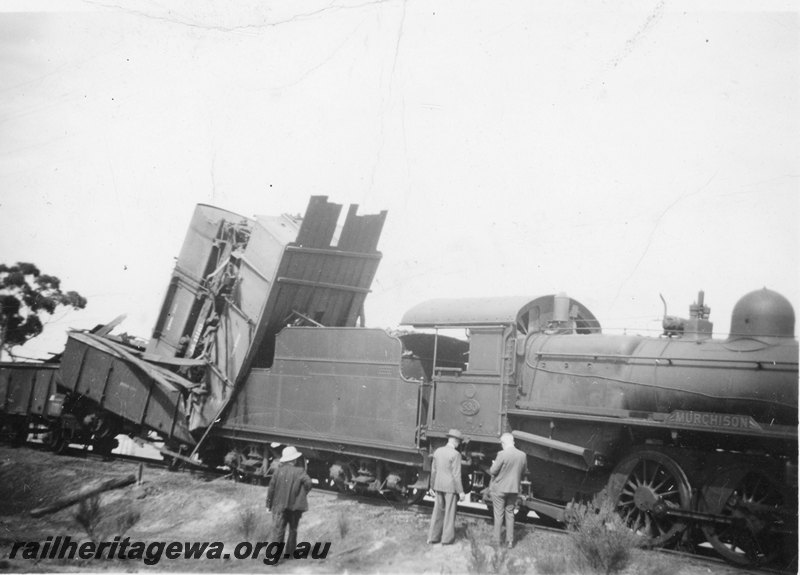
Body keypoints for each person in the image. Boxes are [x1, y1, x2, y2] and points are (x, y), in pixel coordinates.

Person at [266, 446, 313, 557]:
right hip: (295, 507)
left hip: (278, 506)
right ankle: (290, 554)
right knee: (293, 530)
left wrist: (268, 504)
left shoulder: (278, 472)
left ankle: (274, 557)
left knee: (278, 531)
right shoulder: (300, 471)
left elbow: (271, 488)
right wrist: (303, 493)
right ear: (295, 459)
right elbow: (309, 483)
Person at [489, 432, 528, 549]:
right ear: (513, 442)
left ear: (504, 443)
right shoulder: (522, 455)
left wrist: (494, 464)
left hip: (499, 489)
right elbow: (524, 471)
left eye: (501, 443)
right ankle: (510, 542)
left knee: (498, 514)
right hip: (513, 489)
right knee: (510, 514)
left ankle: (496, 541)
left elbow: (493, 471)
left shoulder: (502, 454)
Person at [427, 429, 466, 545]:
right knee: (449, 513)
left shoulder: (438, 451)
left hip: (438, 485)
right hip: (450, 488)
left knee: (437, 512)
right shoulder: (456, 454)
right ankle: (446, 539)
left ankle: (432, 537)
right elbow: (456, 475)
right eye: (458, 442)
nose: (458, 444)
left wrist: (432, 486)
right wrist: (461, 492)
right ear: (455, 441)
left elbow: (433, 471)